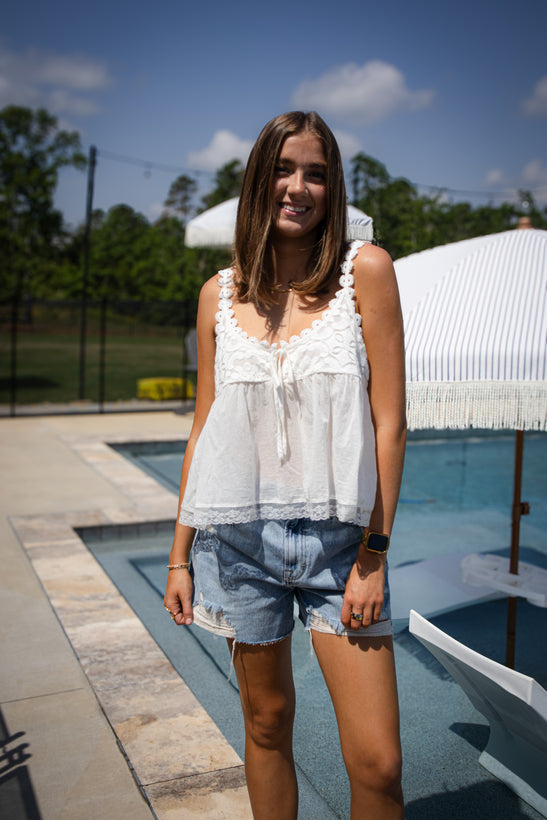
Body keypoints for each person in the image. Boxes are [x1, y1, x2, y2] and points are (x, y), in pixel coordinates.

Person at [164, 110, 406, 819]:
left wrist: (373, 554)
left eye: (316, 174)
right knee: (266, 726)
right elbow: (204, 429)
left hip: (342, 549)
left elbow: (390, 424)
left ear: (333, 188)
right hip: (240, 545)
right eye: (283, 169)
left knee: (379, 763)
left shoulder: (367, 272)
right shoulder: (218, 295)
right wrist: (179, 556)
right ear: (257, 181)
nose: (298, 187)